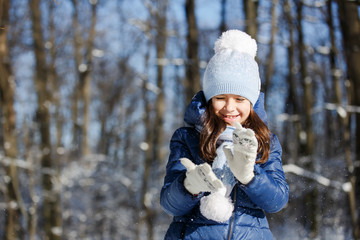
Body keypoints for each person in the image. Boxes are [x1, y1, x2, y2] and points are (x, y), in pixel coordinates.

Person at [160, 29, 289, 240]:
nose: (230, 108)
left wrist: (250, 177)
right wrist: (189, 186)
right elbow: (169, 204)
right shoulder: (187, 137)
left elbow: (277, 201)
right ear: (210, 98)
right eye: (220, 97)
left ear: (252, 101)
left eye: (240, 99)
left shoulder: (266, 141)